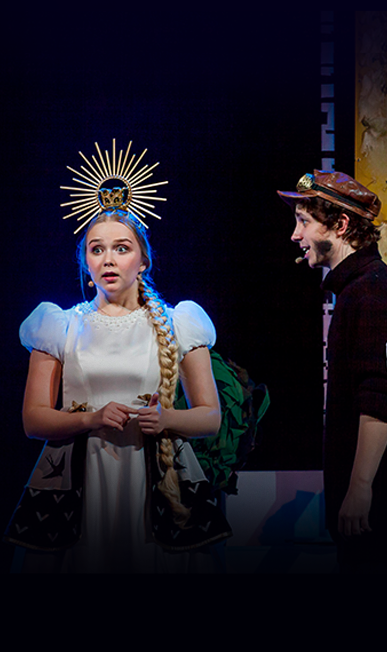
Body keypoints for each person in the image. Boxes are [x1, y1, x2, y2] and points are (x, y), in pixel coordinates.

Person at [4, 144, 232, 573]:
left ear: (143, 261)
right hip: (79, 479)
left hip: (157, 479)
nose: (108, 259)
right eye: (97, 249)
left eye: (121, 248)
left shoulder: (178, 323)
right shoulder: (58, 325)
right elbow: (33, 420)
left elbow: (210, 417)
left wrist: (165, 419)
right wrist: (91, 419)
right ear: (85, 262)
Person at [278, 169, 387, 573]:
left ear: (340, 225)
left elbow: (382, 399)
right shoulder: (364, 288)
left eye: (304, 221)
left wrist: (359, 488)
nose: (295, 235)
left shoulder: (373, 292)